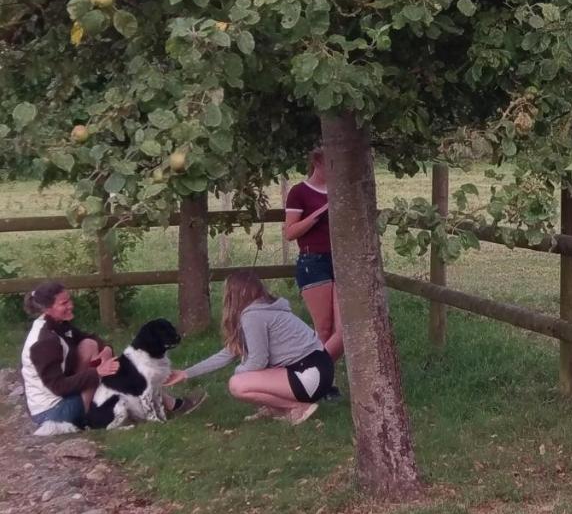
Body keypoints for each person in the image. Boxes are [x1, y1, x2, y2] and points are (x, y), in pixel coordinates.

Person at [19, 281, 199, 433]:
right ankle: (97, 418)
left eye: (70, 300)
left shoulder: (57, 324)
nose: (71, 305)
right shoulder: (43, 342)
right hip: (53, 411)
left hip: (64, 397)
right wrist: (97, 372)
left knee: (90, 346)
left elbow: (89, 338)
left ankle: (158, 405)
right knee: (114, 376)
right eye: (64, 303)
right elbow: (58, 387)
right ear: (48, 308)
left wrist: (105, 349)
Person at [167, 270, 334, 424]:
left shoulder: (253, 315)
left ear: (233, 295)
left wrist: (239, 372)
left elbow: (258, 361)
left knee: (238, 385)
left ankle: (297, 407)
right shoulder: (263, 308)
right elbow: (228, 353)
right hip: (318, 372)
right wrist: (187, 373)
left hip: (309, 375)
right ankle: (275, 408)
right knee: (245, 378)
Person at [284, 147, 343, 369]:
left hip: (341, 261)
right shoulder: (300, 192)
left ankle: (313, 375)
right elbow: (290, 232)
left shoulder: (340, 189)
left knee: (343, 330)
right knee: (324, 328)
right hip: (314, 261)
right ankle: (320, 381)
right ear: (317, 162)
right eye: (331, 162)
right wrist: (319, 214)